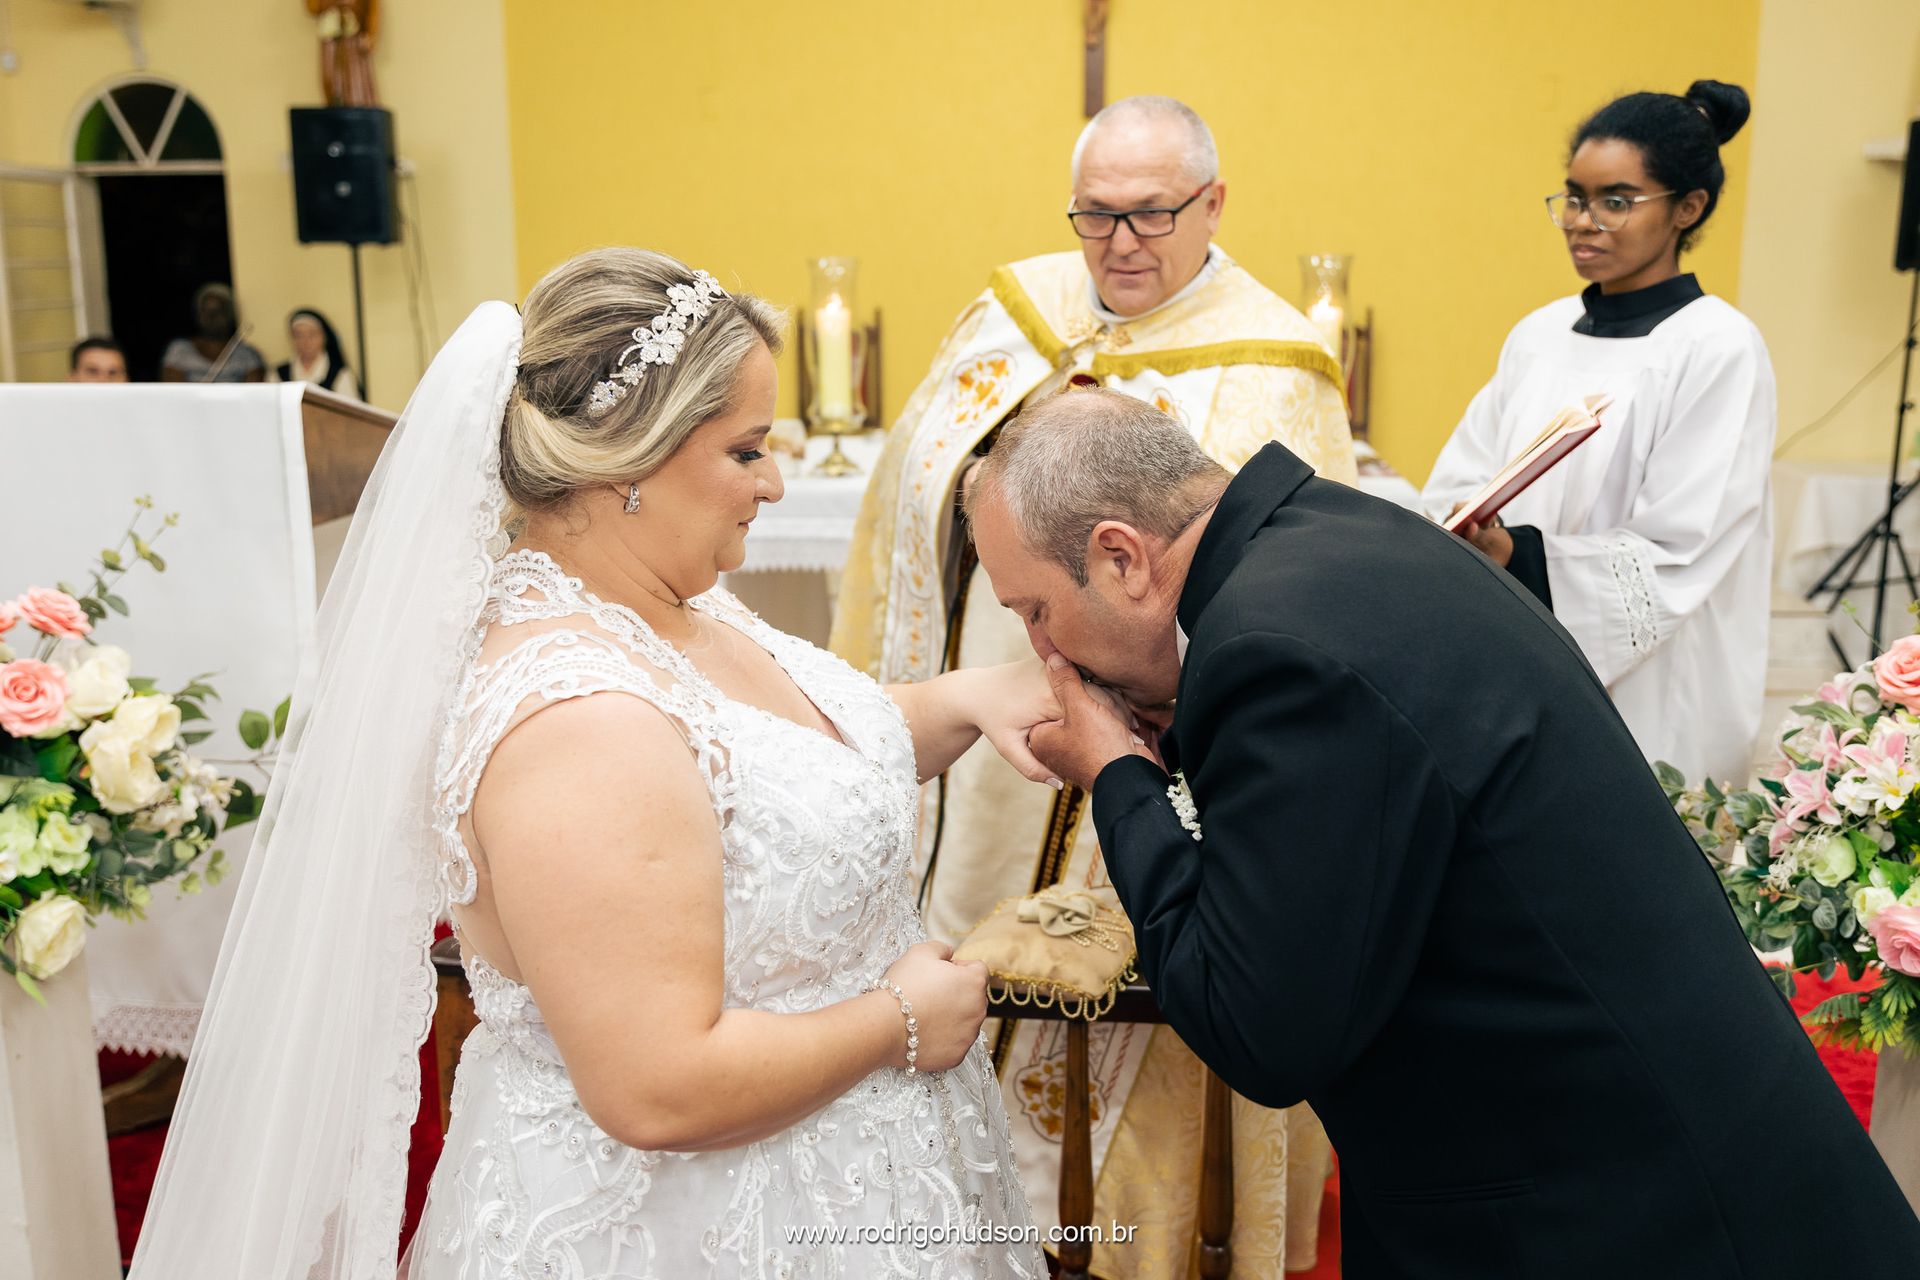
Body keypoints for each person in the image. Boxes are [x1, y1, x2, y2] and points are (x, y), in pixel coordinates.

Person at [129, 249, 1050, 1278]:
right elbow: (658, 1083)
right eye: (746, 449)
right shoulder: (575, 722)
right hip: (697, 1227)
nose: (775, 480)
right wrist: (899, 1021)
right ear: (629, 466)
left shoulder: (659, 598)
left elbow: (775, 763)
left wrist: (963, 699)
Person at [965, 387, 1920, 1278]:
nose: (1045, 655)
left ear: (1122, 555)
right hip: (1660, 1131)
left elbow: (1257, 1028)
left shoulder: (1270, 652)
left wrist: (1119, 777)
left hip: (1621, 1211)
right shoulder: (1333, 533)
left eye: (1037, 612)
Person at [832, 94, 1351, 1275]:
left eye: (1152, 214)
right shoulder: (1011, 310)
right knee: (956, 930)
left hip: (1131, 744)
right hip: (985, 718)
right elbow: (907, 498)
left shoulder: (1276, 359)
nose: (1120, 243)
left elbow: (1283, 582)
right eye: (1096, 215)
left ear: (1214, 204)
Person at [1423, 80, 1774, 789]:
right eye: (1575, 198)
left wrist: (1518, 555)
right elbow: (1464, 473)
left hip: (1655, 687)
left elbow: (1682, 547)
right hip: (1518, 648)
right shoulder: (1540, 334)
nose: (1584, 221)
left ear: (1689, 207)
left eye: (1616, 200)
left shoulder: (1717, 347)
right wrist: (1466, 528)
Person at [160, 283, 266, 383]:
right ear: (197, 314)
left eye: (218, 311)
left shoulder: (247, 354)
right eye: (205, 311)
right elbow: (174, 395)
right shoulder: (179, 350)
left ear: (229, 314)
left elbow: (252, 396)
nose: (211, 317)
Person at [272, 307, 361, 400]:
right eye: (299, 335)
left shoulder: (340, 374)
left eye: (312, 334)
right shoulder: (278, 374)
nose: (306, 341)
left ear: (324, 337)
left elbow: (350, 410)